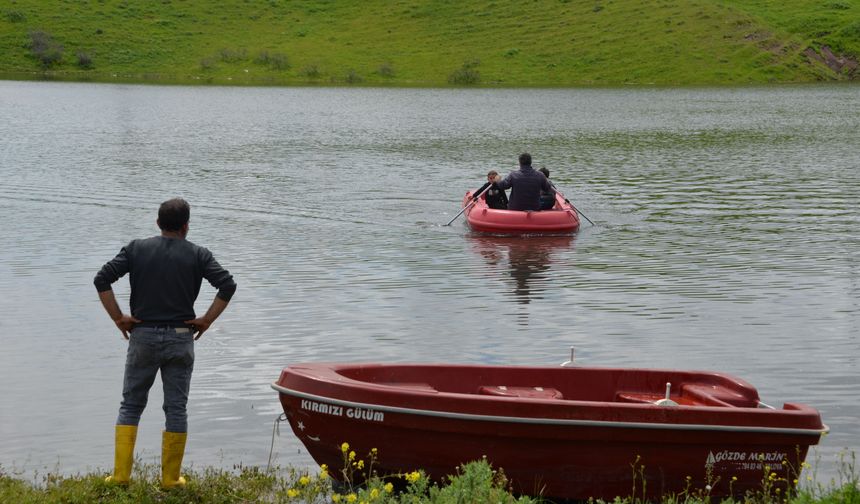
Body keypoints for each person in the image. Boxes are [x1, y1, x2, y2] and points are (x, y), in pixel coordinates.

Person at [94, 198, 236, 488]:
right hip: (181, 339)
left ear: (158, 223)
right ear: (186, 226)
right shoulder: (199, 255)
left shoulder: (136, 249)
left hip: (142, 336)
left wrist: (119, 318)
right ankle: (171, 480)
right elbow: (228, 285)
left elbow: (102, 279)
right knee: (176, 409)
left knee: (131, 405)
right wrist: (206, 320)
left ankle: (121, 476)